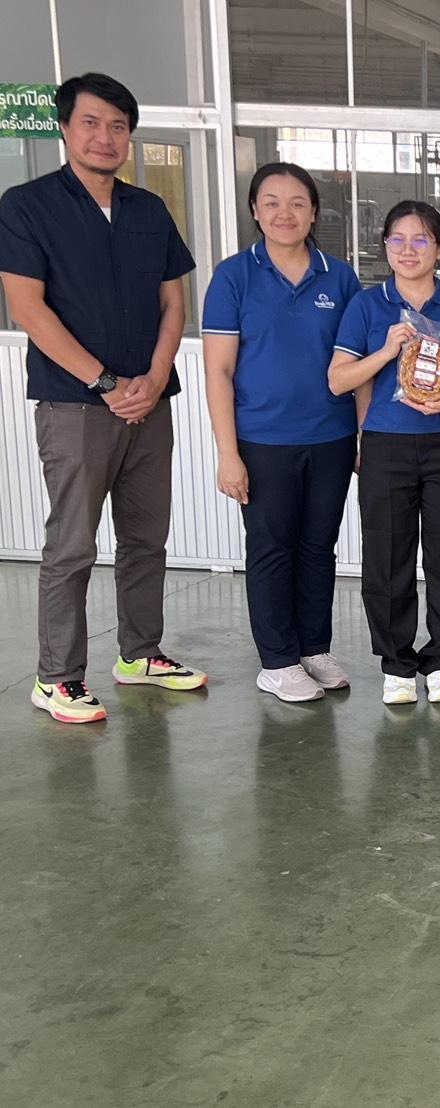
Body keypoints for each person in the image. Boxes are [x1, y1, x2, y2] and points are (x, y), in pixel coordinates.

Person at [0, 72, 206, 725]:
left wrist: (154, 376)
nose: (105, 137)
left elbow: (174, 302)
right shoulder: (27, 205)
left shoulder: (149, 209)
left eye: (118, 126)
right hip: (76, 406)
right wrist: (107, 382)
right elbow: (28, 309)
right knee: (72, 545)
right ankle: (57, 677)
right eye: (91, 123)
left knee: (146, 538)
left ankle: (140, 654)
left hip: (149, 403)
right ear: (65, 128)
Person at [203, 162, 362, 703]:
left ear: (314, 212)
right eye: (271, 202)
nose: (284, 213)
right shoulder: (233, 277)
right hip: (262, 440)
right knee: (272, 548)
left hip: (331, 437)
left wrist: (361, 435)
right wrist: (228, 453)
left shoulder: (340, 278)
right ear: (255, 210)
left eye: (297, 203)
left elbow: (357, 365)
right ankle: (276, 661)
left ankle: (313, 648)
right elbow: (219, 370)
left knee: (318, 546)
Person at [328, 201, 440, 705]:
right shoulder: (366, 306)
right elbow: (338, 381)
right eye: (397, 239)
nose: (408, 250)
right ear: (384, 248)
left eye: (421, 239)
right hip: (386, 446)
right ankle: (396, 663)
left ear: (439, 249)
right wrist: (385, 351)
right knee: (387, 555)